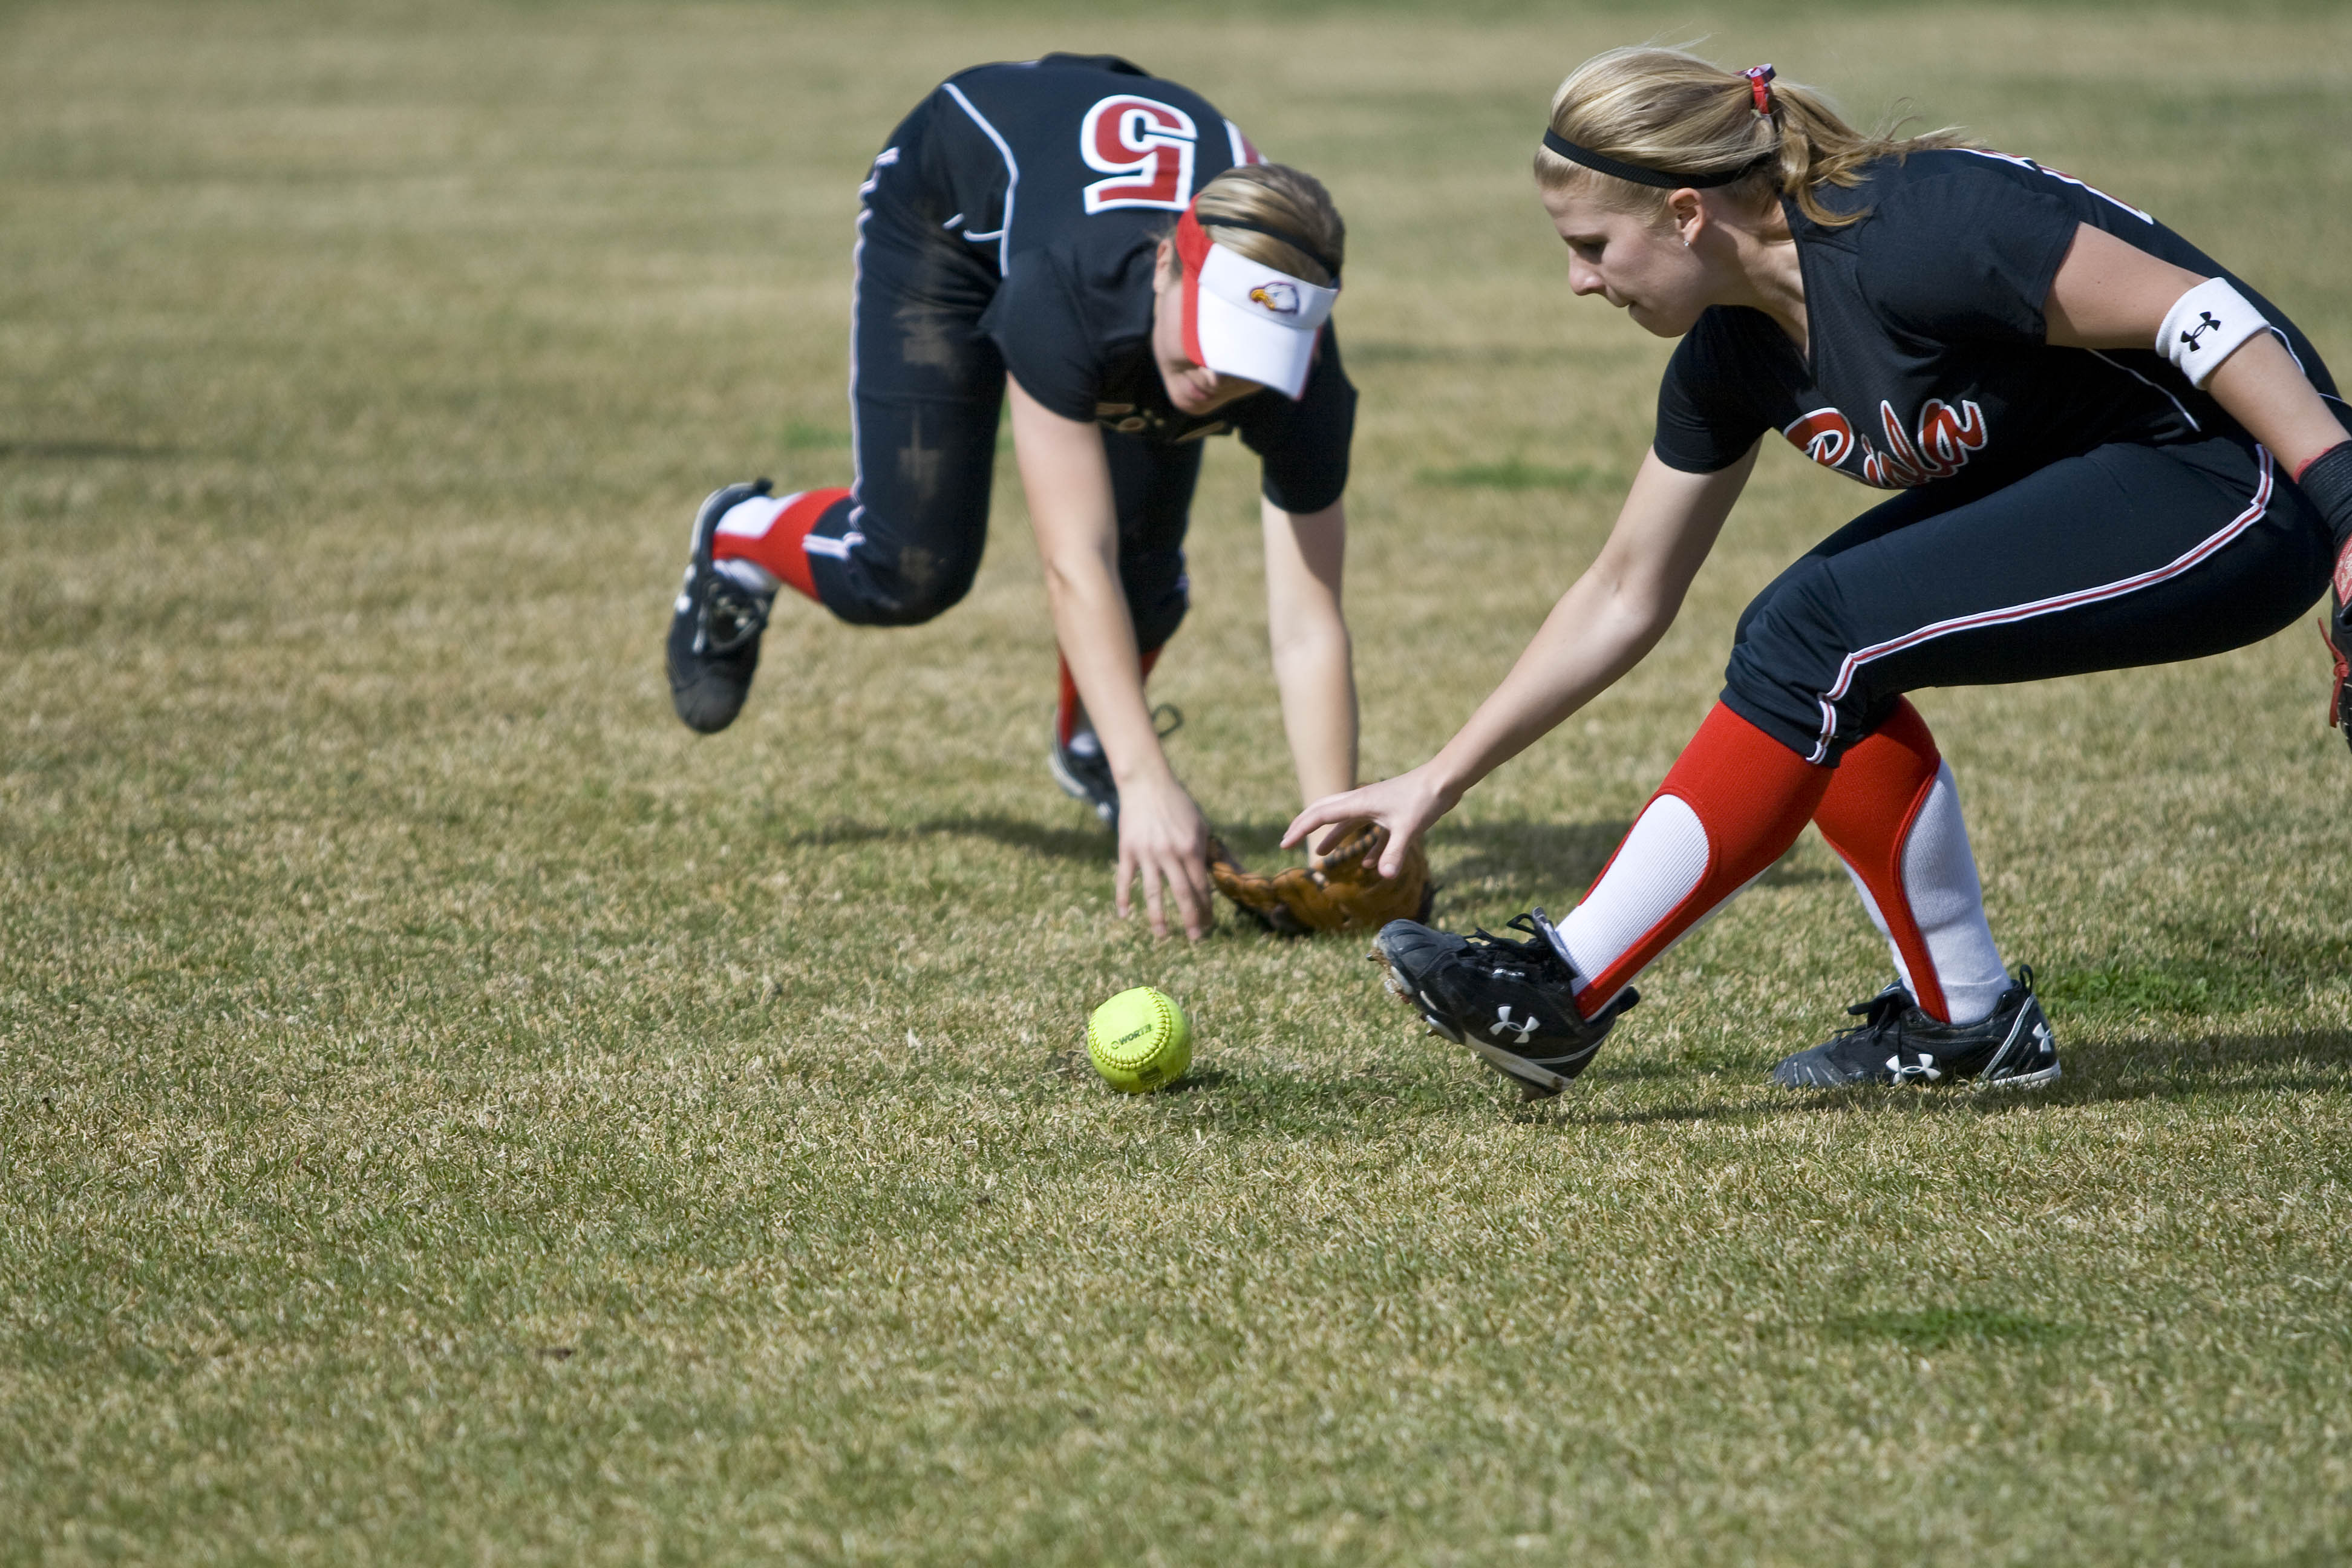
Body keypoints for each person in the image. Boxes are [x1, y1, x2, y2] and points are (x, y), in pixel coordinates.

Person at [1285, 48, 2352, 1097]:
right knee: (1813, 649)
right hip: (2123, 477)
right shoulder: (1730, 352)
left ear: (1686, 213)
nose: (1578, 280)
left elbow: (2203, 316)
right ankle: (1967, 1022)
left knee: (1819, 629)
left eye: (1591, 245)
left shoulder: (1910, 229)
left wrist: (2347, 512)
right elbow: (1624, 591)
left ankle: (1563, 989)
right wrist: (1440, 777)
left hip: (2243, 483)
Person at [667, 54, 1364, 941]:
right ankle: (738, 537)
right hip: (947, 203)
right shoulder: (1069, 294)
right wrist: (1150, 780)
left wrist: (1333, 845)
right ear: (1165, 268)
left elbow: (1309, 622)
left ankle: (1090, 748)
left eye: (1253, 358)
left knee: (1149, 582)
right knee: (910, 566)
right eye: (1212, 339)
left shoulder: (1304, 383)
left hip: (1096, 242)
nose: (1222, 375)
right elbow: (1073, 561)